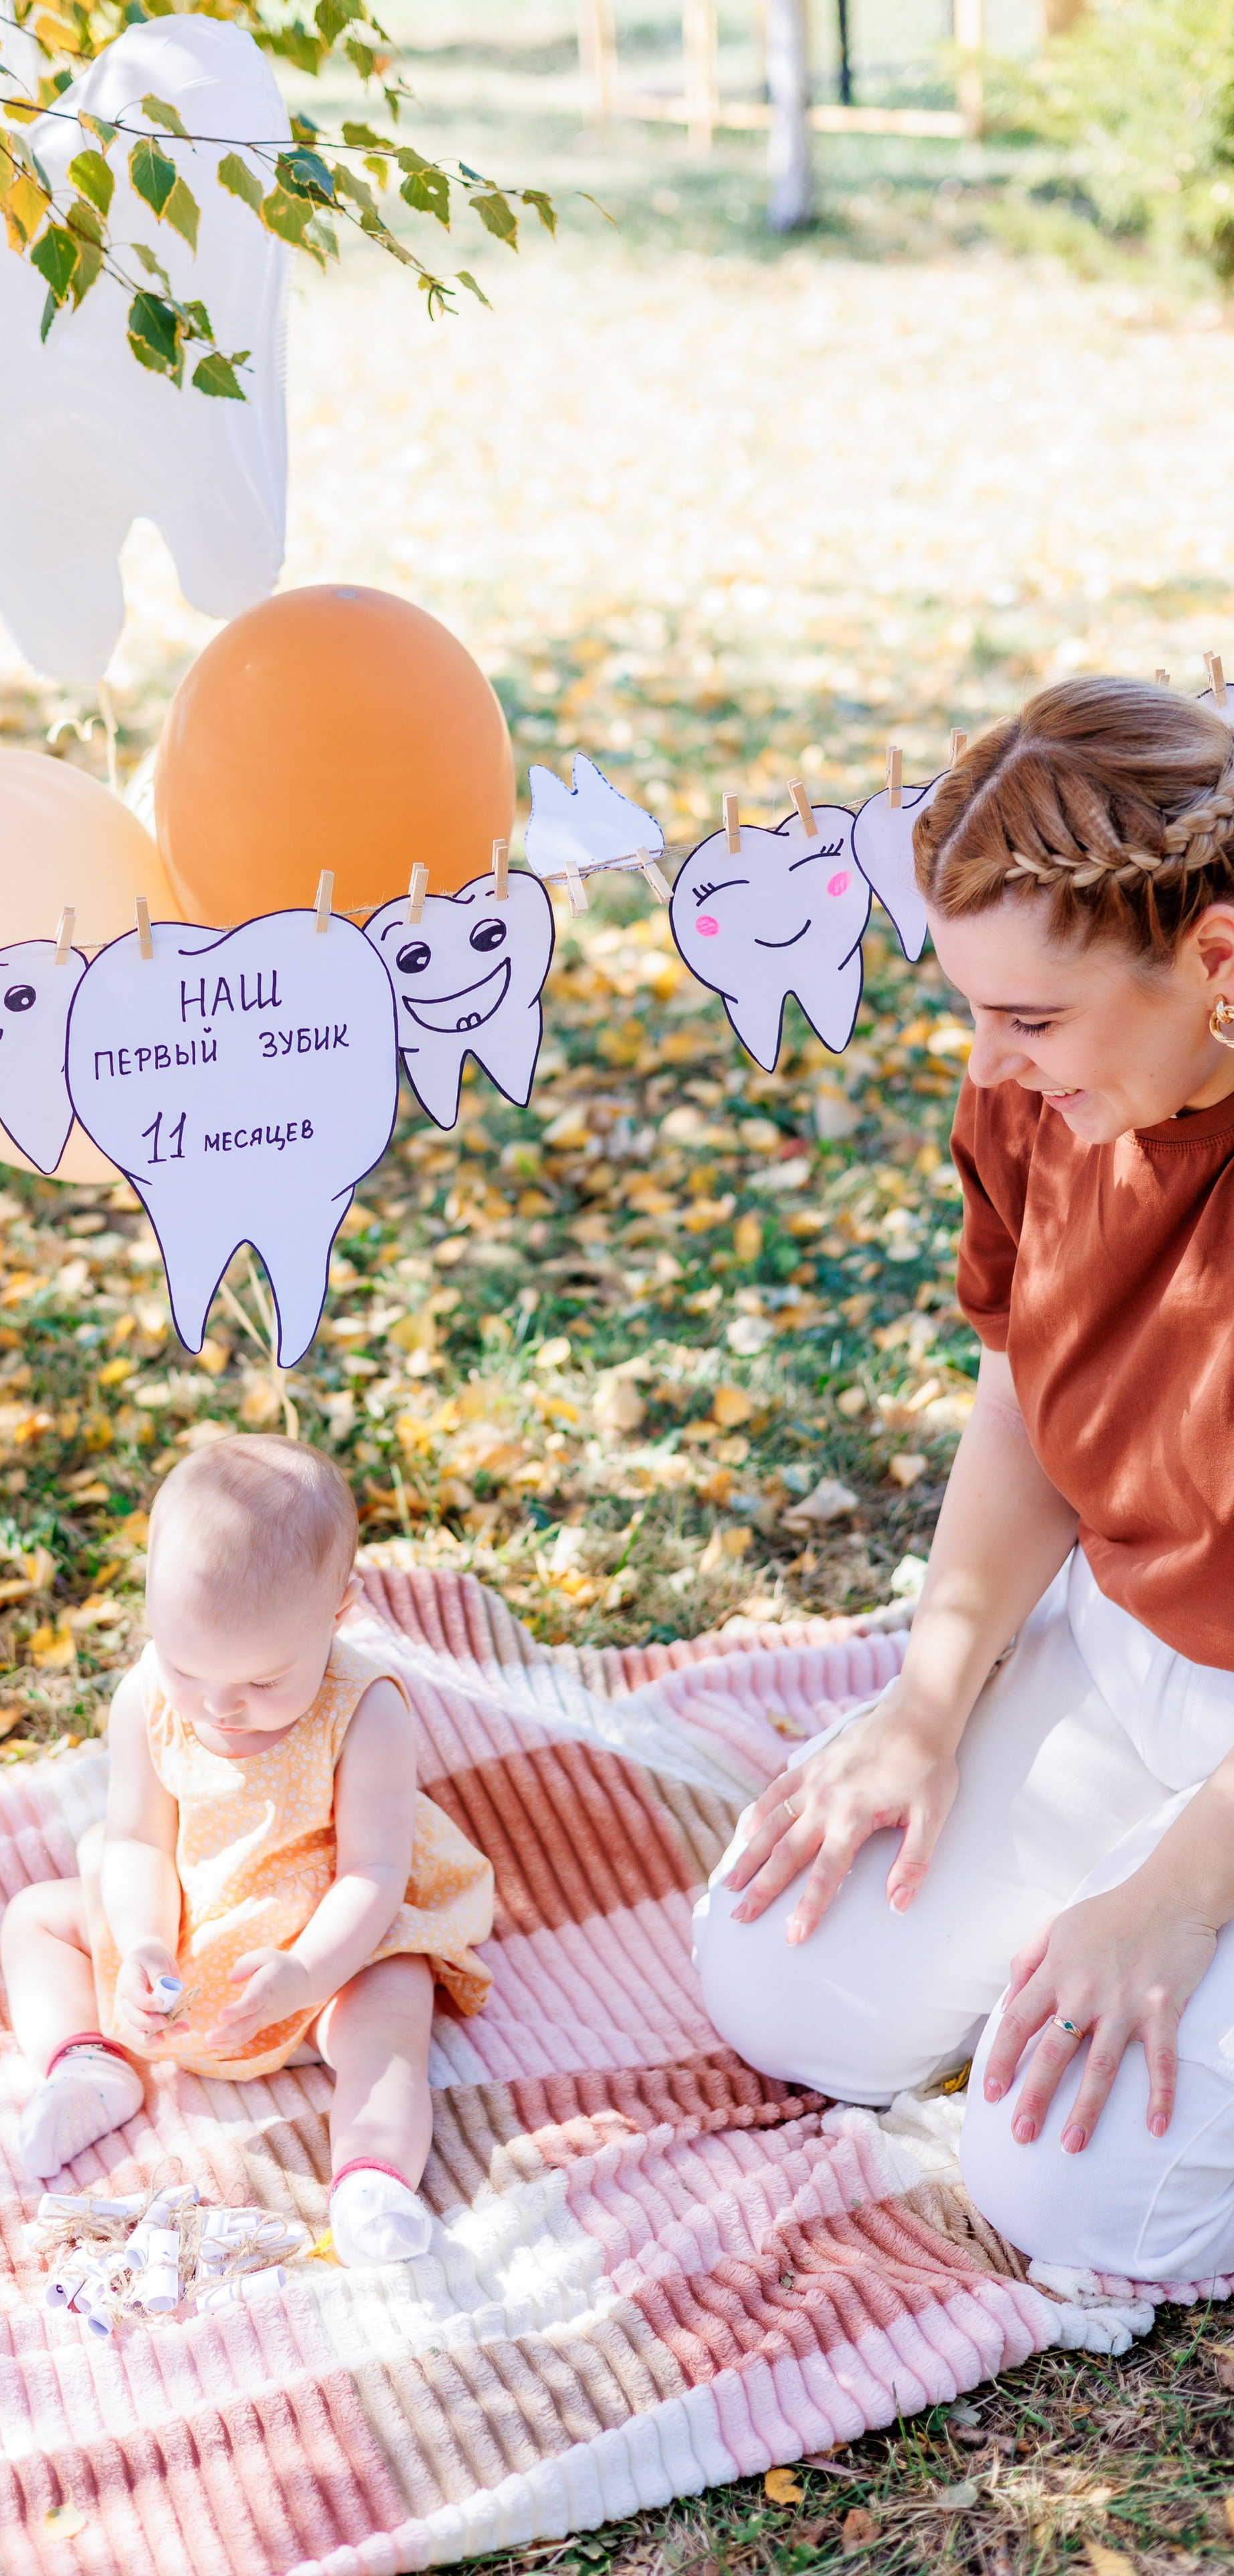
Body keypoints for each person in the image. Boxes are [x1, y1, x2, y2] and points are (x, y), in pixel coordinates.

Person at [693, 676, 1234, 2287]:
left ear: (1212, 959)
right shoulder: (1033, 1104)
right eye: (970, 1009)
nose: (987, 1065)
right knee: (770, 1973)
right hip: (1137, 1652)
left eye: (1033, 1018)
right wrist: (927, 1702)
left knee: (1074, 2195)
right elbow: (1023, 1390)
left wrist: (1172, 1896)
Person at [0, 1434, 494, 2266]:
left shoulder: (363, 1711)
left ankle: (372, 2174)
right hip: (186, 1936)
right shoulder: (149, 1696)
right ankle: (89, 2064)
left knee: (393, 2000)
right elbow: (138, 1842)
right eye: (190, 1668)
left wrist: (306, 1972)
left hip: (319, 1952)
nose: (222, 1708)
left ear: (336, 1615)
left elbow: (373, 1874)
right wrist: (144, 1944)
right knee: (36, 1921)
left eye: (264, 1682)